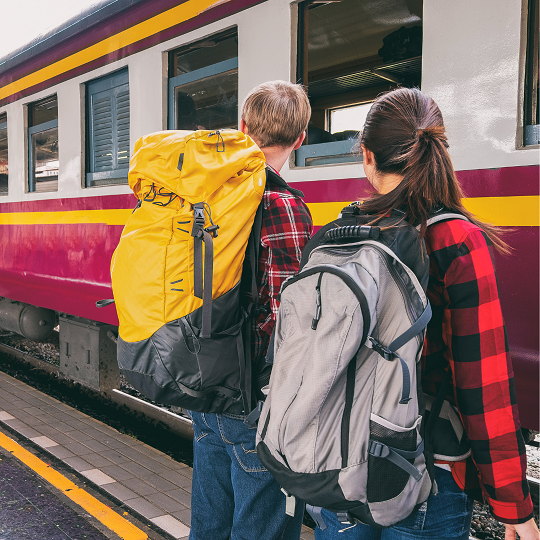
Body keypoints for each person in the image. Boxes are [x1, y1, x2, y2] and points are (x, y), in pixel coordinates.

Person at [314, 88, 539, 540]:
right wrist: (512, 504)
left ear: (366, 155)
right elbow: (483, 383)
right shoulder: (455, 240)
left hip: (337, 459)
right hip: (425, 469)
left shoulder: (336, 234)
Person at [188, 81, 313, 540]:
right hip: (254, 392)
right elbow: (289, 314)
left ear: (242, 127)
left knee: (210, 521)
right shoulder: (282, 205)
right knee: (261, 526)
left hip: (206, 377)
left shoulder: (206, 194)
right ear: (300, 139)